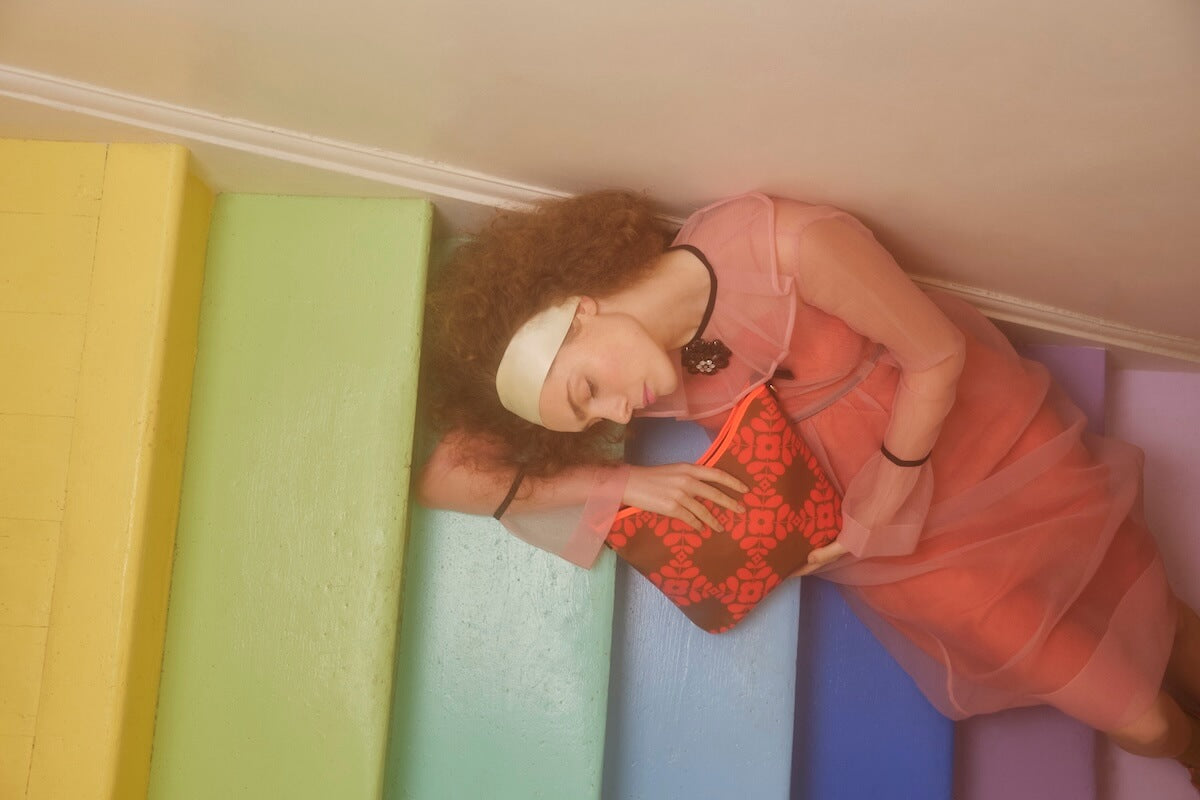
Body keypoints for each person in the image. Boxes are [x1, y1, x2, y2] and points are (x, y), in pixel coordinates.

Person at [418, 190, 1200, 787]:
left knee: (1146, 602)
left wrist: (883, 499)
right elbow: (443, 473)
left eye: (589, 388)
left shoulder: (783, 246)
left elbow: (937, 356)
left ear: (579, 311)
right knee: (1132, 711)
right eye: (591, 414)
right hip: (901, 551)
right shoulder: (650, 370)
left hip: (977, 444)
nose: (621, 413)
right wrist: (625, 479)